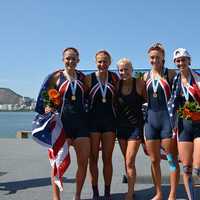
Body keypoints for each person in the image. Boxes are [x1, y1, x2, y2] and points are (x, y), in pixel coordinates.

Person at [36, 47, 90, 200]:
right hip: (62, 126)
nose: (70, 61)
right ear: (63, 59)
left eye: (73, 58)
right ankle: (56, 198)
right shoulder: (55, 77)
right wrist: (47, 107)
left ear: (78, 60)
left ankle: (77, 196)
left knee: (83, 163)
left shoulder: (83, 78)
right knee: (57, 165)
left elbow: (89, 100)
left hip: (81, 126)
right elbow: (45, 97)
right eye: (67, 58)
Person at [143, 43, 180, 200]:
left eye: (157, 57)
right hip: (151, 122)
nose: (154, 60)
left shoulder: (171, 74)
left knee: (171, 159)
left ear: (163, 58)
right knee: (154, 160)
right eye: (152, 57)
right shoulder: (145, 77)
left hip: (167, 122)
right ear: (148, 58)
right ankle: (158, 193)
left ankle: (172, 193)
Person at [85, 50, 119, 200]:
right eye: (99, 61)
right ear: (95, 62)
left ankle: (107, 191)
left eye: (105, 61)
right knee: (93, 159)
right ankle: (95, 191)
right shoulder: (88, 79)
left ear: (110, 62)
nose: (102, 64)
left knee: (107, 159)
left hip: (109, 123)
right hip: (92, 123)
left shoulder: (115, 78)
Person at [168, 48, 200, 200]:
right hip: (183, 125)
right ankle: (191, 198)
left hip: (199, 125)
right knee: (186, 167)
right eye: (178, 60)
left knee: (197, 168)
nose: (181, 63)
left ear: (189, 60)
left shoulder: (198, 79)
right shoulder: (175, 81)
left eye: (183, 59)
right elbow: (172, 104)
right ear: (175, 63)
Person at [115, 58, 146, 200]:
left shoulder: (139, 84)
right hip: (121, 128)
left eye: (126, 69)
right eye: (121, 70)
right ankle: (131, 189)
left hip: (135, 128)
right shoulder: (116, 85)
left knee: (129, 161)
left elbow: (150, 104)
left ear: (132, 69)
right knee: (127, 160)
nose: (123, 72)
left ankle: (129, 194)